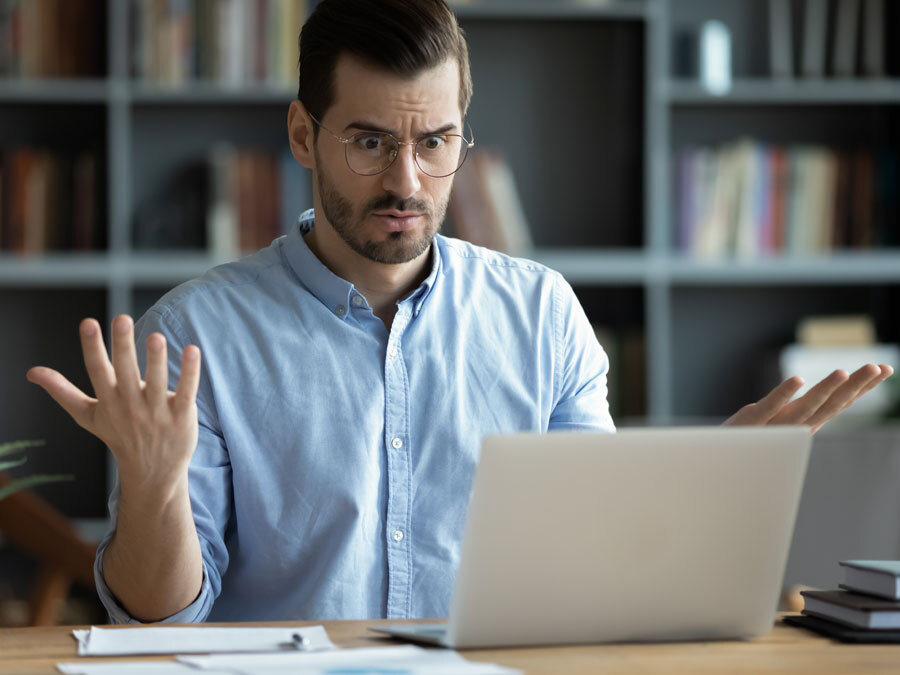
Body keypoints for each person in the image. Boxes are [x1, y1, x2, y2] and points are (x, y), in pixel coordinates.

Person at [26, 0, 893, 624]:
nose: (407, 181)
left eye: (435, 143)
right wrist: (152, 487)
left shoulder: (543, 314)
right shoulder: (196, 335)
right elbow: (158, 617)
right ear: (302, 135)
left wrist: (702, 496)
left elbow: (593, 569)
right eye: (370, 142)